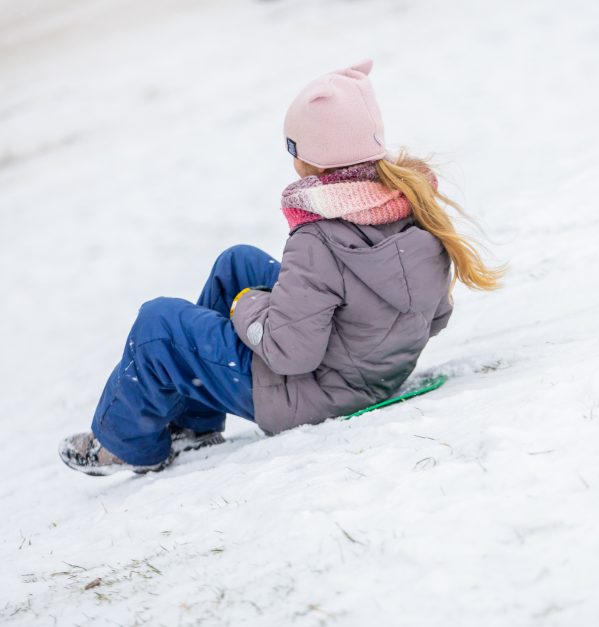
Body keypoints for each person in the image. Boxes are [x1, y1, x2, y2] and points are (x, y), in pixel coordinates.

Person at [59, 59, 502, 476]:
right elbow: (435, 316)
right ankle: (195, 425)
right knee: (238, 263)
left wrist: (247, 307)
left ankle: (125, 445)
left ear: (311, 158)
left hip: (307, 397)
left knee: (158, 323)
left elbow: (292, 353)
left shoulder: (319, 238)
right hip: (371, 372)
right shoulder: (409, 207)